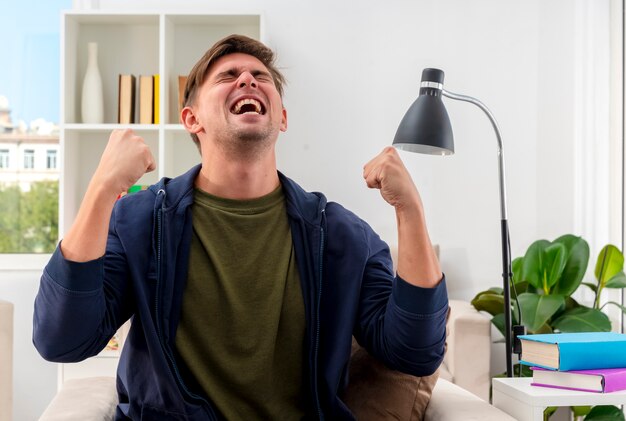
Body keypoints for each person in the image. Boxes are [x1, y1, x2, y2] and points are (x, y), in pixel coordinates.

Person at [33, 34, 448, 420]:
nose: (247, 79)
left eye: (260, 77)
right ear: (192, 119)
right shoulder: (140, 222)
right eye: (228, 76)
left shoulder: (342, 236)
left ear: (282, 118)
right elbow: (62, 338)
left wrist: (410, 210)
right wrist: (103, 189)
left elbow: (415, 353)